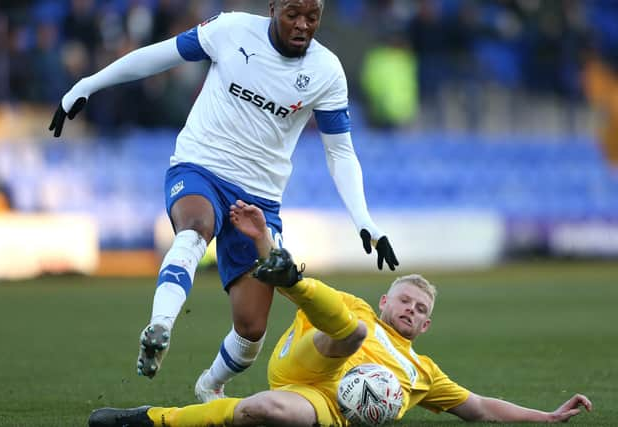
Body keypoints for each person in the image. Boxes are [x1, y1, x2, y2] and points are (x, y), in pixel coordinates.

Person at [49, 0, 399, 402]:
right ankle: (159, 326)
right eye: (293, 15)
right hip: (200, 166)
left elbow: (340, 152)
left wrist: (364, 219)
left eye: (312, 17)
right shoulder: (230, 30)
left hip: (260, 198)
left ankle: (209, 384)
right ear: (273, 8)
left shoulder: (326, 71)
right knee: (195, 229)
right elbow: (158, 56)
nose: (303, 25)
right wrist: (87, 84)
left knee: (251, 331)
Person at [88, 200, 593, 427]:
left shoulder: (423, 375)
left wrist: (546, 416)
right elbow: (302, 299)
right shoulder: (357, 309)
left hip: (323, 407)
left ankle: (147, 421)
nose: (412, 311)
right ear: (386, 303)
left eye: (421, 310)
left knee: (260, 411)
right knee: (349, 333)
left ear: (426, 326)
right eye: (406, 301)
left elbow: (479, 407)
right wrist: (264, 241)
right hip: (303, 362)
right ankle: (293, 272)